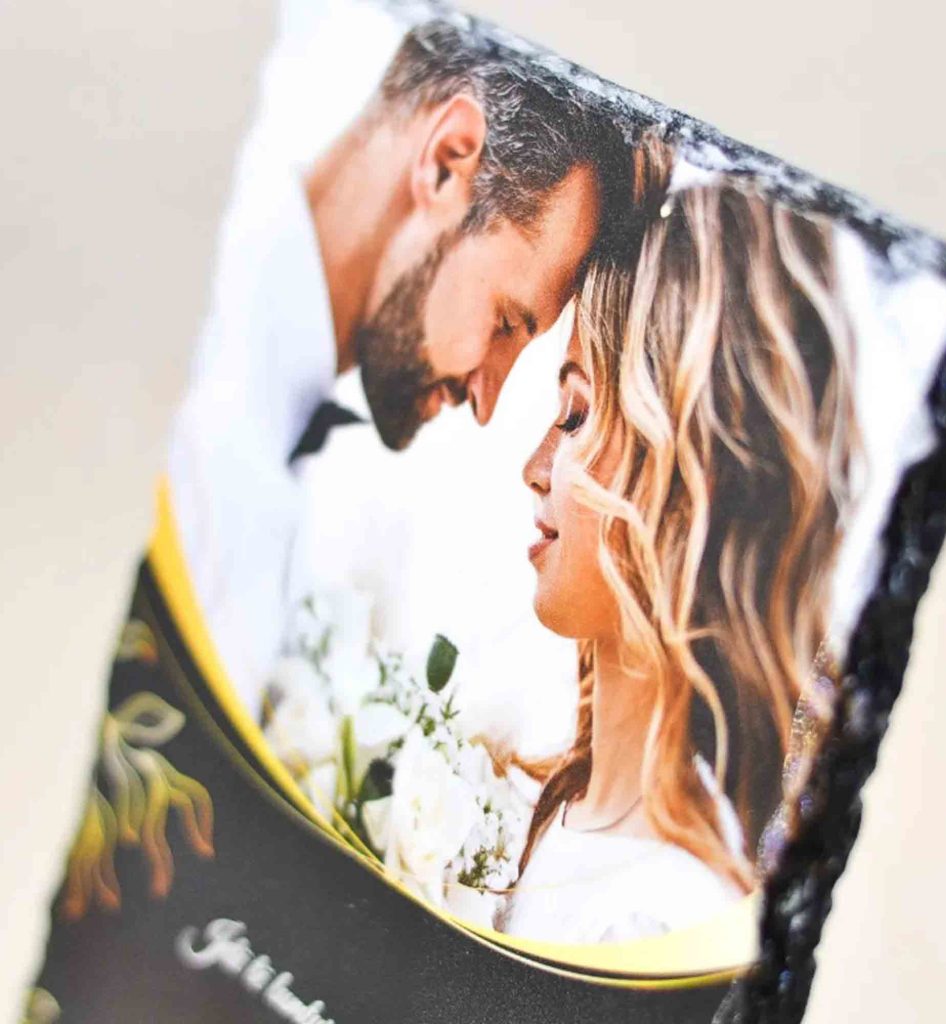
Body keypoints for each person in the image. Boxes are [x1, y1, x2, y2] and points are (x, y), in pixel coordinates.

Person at [168, 20, 633, 715]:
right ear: (446, 162)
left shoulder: (276, 432)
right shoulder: (194, 368)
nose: (486, 404)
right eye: (506, 323)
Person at [502, 161, 858, 944]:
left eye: (576, 415)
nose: (534, 467)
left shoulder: (661, 916)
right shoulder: (547, 806)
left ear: (687, 479)